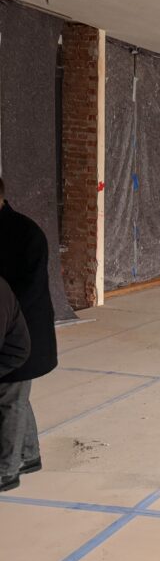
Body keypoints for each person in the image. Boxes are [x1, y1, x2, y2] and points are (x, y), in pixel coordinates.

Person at [0, 176, 57, 491]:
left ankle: (6, 471)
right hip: (8, 326)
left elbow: (30, 288)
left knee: (10, 399)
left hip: (22, 332)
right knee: (16, 396)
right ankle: (29, 454)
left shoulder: (26, 233)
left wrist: (6, 318)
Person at [0, 275, 32, 491]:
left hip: (12, 355)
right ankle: (30, 455)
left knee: (11, 405)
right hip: (11, 347)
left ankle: (7, 472)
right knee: (19, 402)